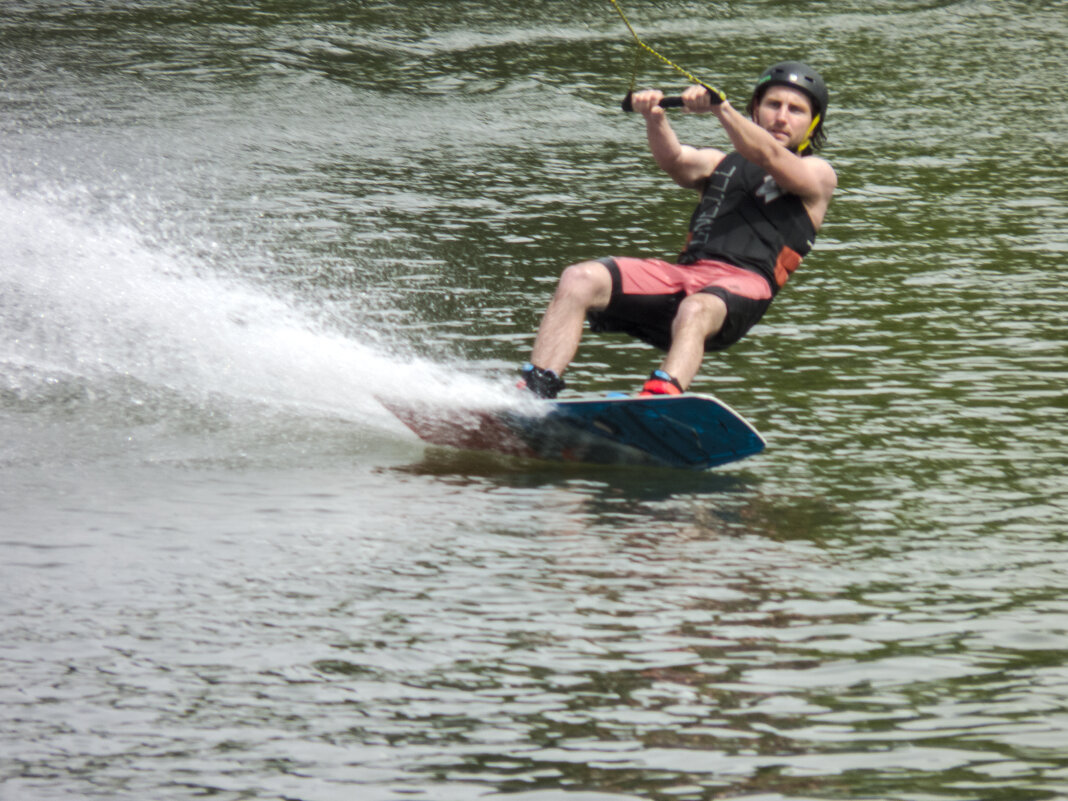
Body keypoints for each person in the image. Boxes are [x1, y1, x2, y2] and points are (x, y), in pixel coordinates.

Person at [518, 61, 837, 399]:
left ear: (813, 124)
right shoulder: (719, 163)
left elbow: (771, 156)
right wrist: (654, 117)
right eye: (773, 104)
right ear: (755, 110)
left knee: (696, 307)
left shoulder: (817, 174)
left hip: (741, 288)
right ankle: (536, 388)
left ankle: (659, 398)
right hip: (685, 275)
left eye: (796, 110)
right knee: (579, 278)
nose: (782, 117)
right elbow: (674, 161)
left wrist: (720, 108)